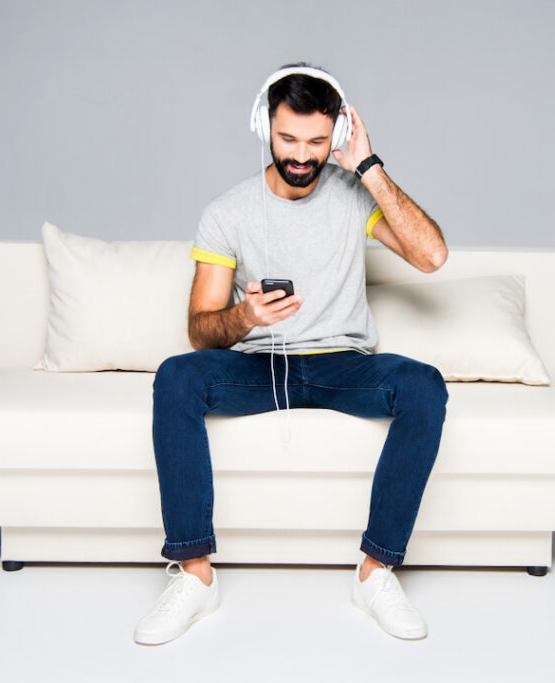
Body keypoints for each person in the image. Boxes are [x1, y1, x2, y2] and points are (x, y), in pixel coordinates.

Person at [134, 63, 449, 645]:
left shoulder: (355, 194)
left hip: (343, 365)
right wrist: (244, 316)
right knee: (177, 377)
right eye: (287, 140)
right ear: (264, 128)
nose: (302, 156)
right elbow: (201, 332)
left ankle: (376, 572)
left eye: (316, 141)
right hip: (258, 365)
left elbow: (432, 257)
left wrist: (369, 168)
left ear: (337, 134)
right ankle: (196, 577)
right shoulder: (227, 212)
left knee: (424, 384)